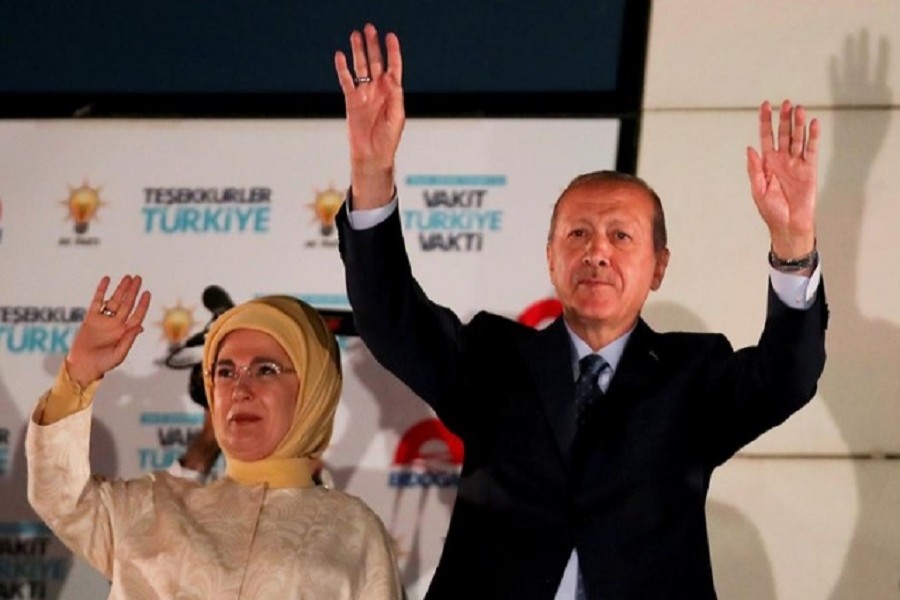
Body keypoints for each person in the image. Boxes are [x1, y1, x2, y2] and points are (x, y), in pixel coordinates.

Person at [333, 24, 827, 599]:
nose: (597, 251)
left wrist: (794, 244)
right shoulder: (492, 358)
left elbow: (789, 376)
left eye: (621, 236)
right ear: (550, 257)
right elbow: (389, 315)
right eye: (578, 234)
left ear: (658, 266)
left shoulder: (694, 376)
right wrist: (372, 174)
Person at [27, 274, 402, 599]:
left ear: (312, 389)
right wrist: (77, 376)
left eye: (266, 370)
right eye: (224, 372)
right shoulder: (152, 509)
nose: (240, 388)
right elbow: (60, 495)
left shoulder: (355, 531)